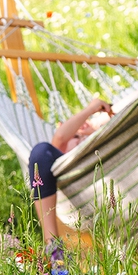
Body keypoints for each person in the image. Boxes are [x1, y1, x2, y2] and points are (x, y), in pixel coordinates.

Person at [28, 98, 113, 255]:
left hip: (103, 178)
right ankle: (53, 247)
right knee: (39, 152)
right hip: (70, 180)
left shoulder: (99, 138)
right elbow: (60, 137)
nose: (83, 125)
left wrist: (94, 131)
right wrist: (89, 110)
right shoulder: (59, 151)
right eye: (74, 134)